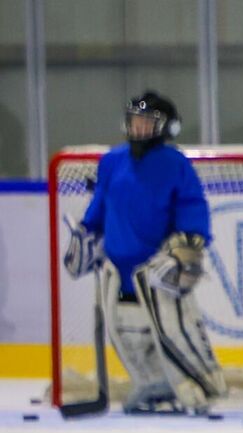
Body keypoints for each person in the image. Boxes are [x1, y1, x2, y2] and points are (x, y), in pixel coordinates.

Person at [63, 90, 224, 414]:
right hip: (117, 271)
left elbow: (192, 205)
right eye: (135, 121)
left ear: (165, 127)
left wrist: (189, 244)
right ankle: (153, 385)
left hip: (157, 270)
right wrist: (86, 231)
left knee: (174, 331)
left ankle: (201, 386)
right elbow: (100, 205)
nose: (139, 128)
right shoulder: (111, 161)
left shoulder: (174, 164)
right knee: (127, 334)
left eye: (147, 122)